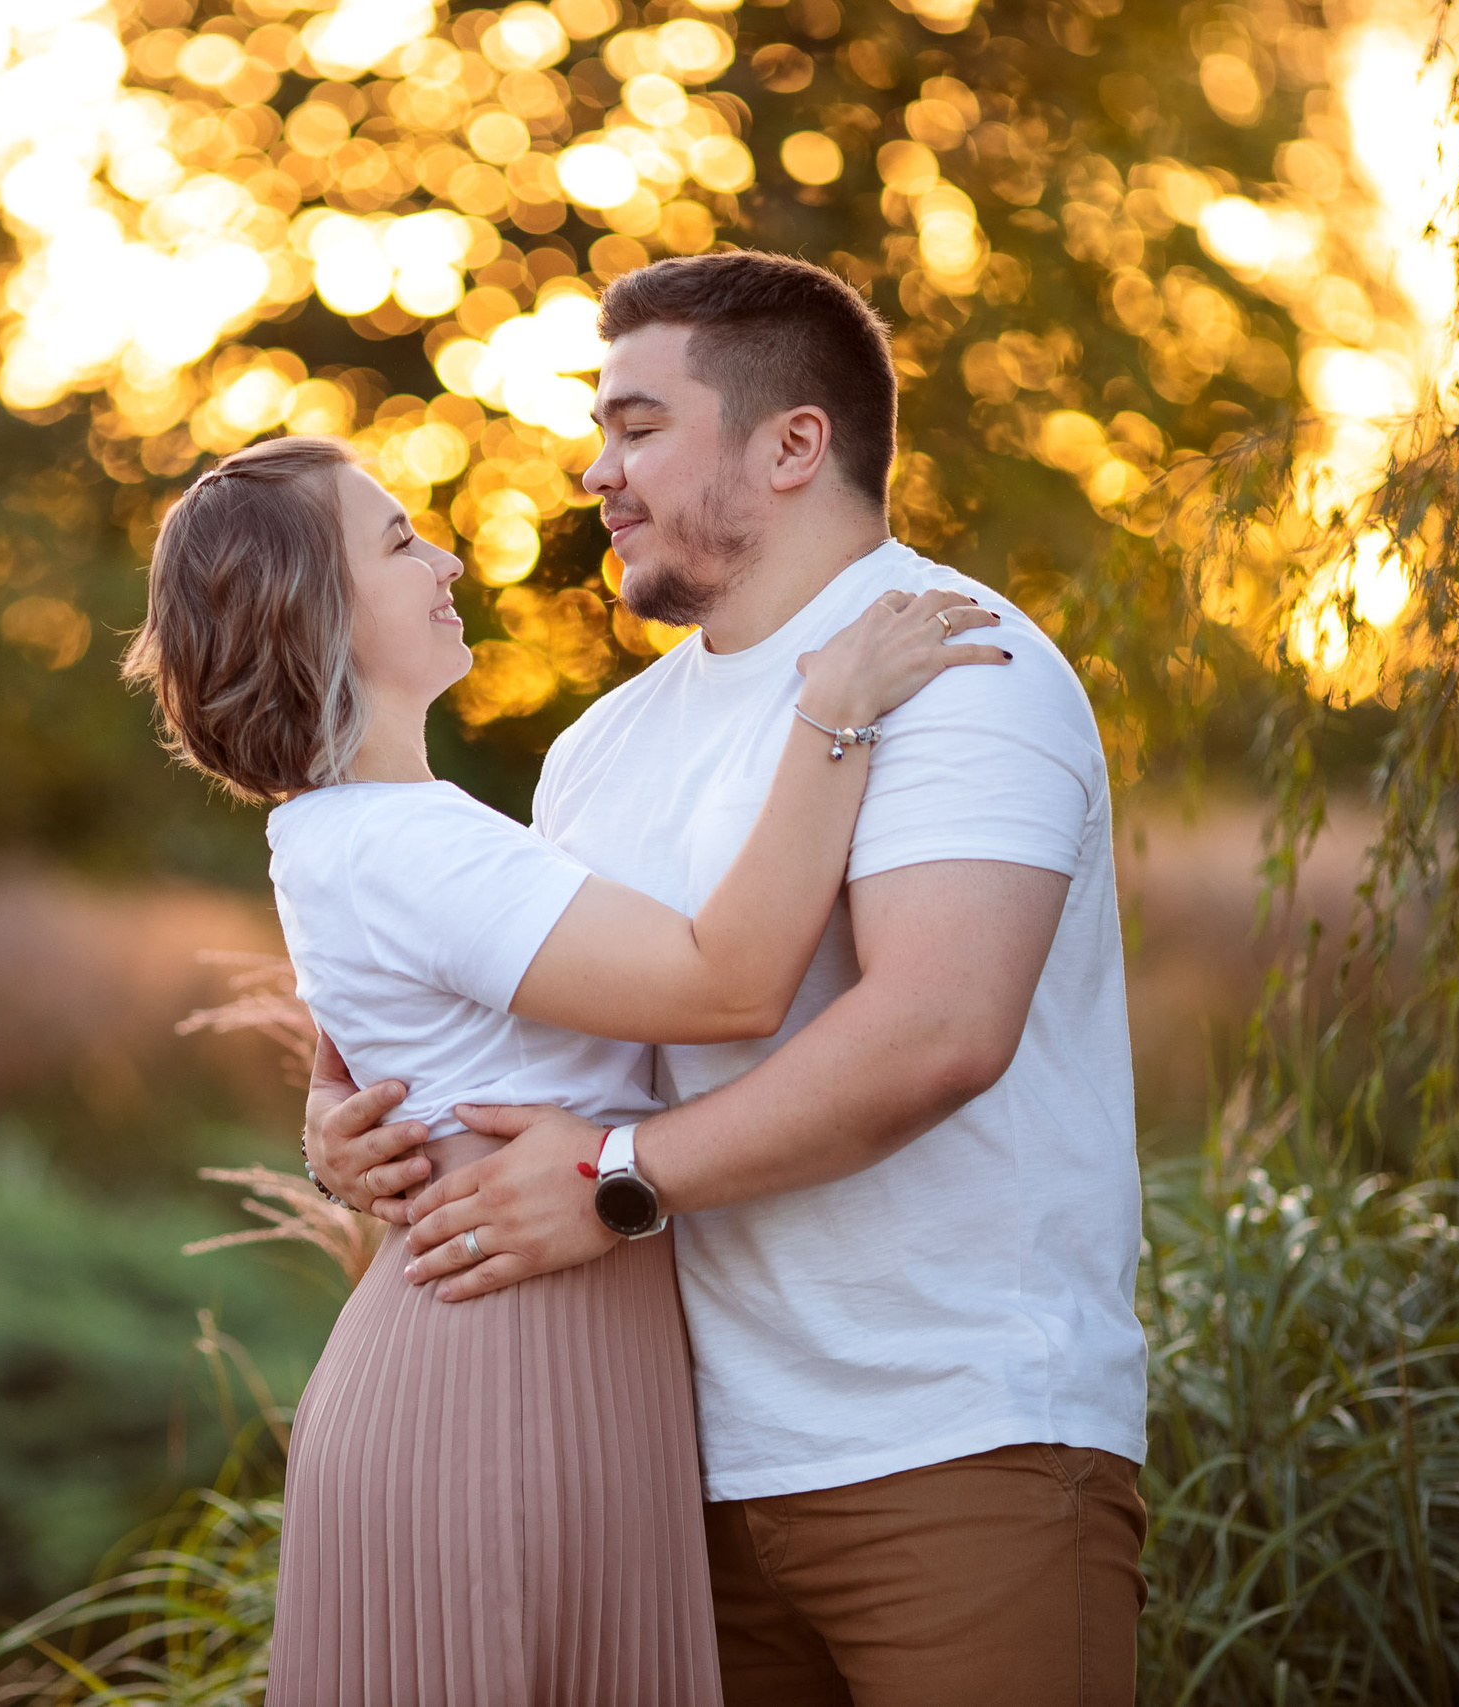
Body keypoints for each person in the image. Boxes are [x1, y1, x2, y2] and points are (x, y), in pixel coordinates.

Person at [308, 250, 1151, 1705]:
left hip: (950, 1444)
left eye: (637, 426)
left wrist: (615, 1182)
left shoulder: (960, 665)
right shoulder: (600, 747)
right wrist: (357, 1127)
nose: (594, 471)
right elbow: (556, 1041)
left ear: (792, 443)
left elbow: (941, 1028)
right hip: (671, 1462)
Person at [123, 430, 1005, 1706]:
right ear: (314, 614)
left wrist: (330, 1110)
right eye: (395, 541)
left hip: (536, 1349)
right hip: (500, 1373)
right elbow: (729, 980)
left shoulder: (358, 834)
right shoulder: (402, 846)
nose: (443, 555)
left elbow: (383, 1027)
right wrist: (836, 710)